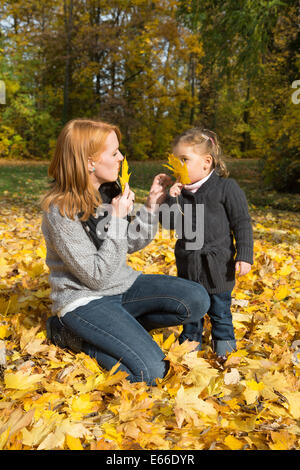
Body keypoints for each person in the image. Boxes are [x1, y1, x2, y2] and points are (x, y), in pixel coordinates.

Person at [41, 118, 211, 386]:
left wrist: (153, 204)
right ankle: (70, 335)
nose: (121, 157)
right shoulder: (59, 211)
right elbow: (95, 277)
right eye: (113, 152)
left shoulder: (109, 191)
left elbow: (131, 243)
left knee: (197, 299)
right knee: (151, 373)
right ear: (89, 163)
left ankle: (119, 331)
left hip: (124, 286)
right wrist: (119, 221)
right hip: (85, 300)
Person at [159, 127, 253, 361]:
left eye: (184, 160)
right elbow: (169, 223)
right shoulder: (179, 193)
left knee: (220, 312)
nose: (178, 166)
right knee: (191, 313)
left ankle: (225, 354)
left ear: (206, 162)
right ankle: (188, 355)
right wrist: (171, 198)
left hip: (217, 267)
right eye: (175, 161)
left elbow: (241, 222)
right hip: (188, 267)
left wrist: (244, 254)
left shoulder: (225, 188)